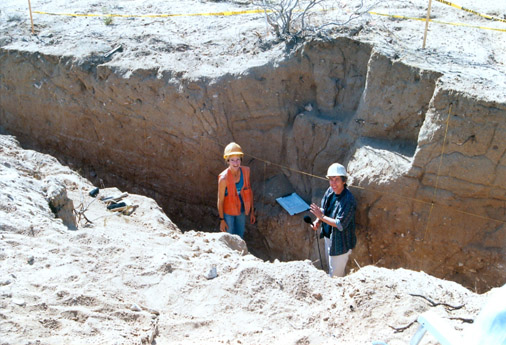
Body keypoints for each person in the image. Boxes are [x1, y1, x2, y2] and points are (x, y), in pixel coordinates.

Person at [309, 163, 357, 277]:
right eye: (331, 179)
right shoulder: (330, 191)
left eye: (336, 180)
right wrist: (317, 221)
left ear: (344, 181)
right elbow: (324, 209)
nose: (333, 183)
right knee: (331, 267)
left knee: (336, 277)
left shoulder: (348, 200)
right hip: (329, 237)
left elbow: (340, 224)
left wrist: (321, 217)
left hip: (341, 244)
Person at [217, 142, 256, 239]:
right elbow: (220, 200)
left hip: (241, 210)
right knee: (230, 236)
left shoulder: (246, 172)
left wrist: (252, 211)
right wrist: (222, 219)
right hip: (228, 212)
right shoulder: (223, 178)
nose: (235, 163)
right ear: (228, 161)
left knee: (240, 235)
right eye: (232, 160)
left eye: (238, 159)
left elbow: (249, 192)